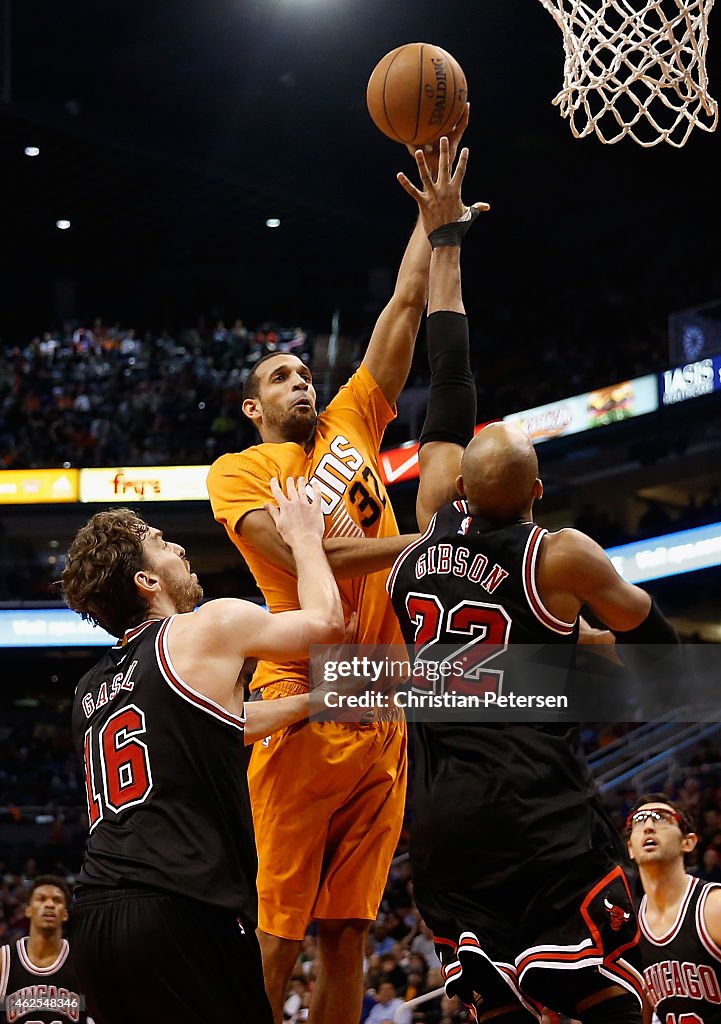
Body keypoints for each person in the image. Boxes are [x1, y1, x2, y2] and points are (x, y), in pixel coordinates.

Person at [387, 138, 683, 1023]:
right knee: (611, 1002)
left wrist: (445, 241)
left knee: (498, 1010)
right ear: (539, 492)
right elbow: (657, 653)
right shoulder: (561, 555)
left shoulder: (429, 511)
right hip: (534, 814)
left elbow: (449, 371)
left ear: (460, 487)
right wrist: (593, 649)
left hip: (440, 827)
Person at [206, 108, 481, 1024]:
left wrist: (430, 222)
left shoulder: (353, 422)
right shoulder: (240, 471)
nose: (300, 381)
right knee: (278, 929)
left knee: (347, 933)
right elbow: (300, 553)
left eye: (301, 371)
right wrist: (421, 546)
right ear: (252, 408)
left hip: (384, 701)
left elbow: (403, 307)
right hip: (306, 693)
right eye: (279, 377)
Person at [61, 479, 344, 1024]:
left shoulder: (89, 689)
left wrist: (314, 700)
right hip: (181, 906)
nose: (180, 549)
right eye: (163, 542)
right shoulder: (206, 625)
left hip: (97, 921)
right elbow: (327, 625)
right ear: (147, 581)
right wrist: (305, 538)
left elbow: (214, 727)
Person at [627, 794, 721, 1021]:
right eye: (639, 821)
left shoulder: (714, 906)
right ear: (630, 848)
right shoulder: (632, 928)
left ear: (687, 842)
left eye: (661, 818)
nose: (649, 826)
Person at [0, 875, 93, 1023]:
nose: (49, 904)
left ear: (65, 914)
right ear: (28, 910)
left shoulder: (81, 961)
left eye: (57, 900)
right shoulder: (5, 960)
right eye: (41, 899)